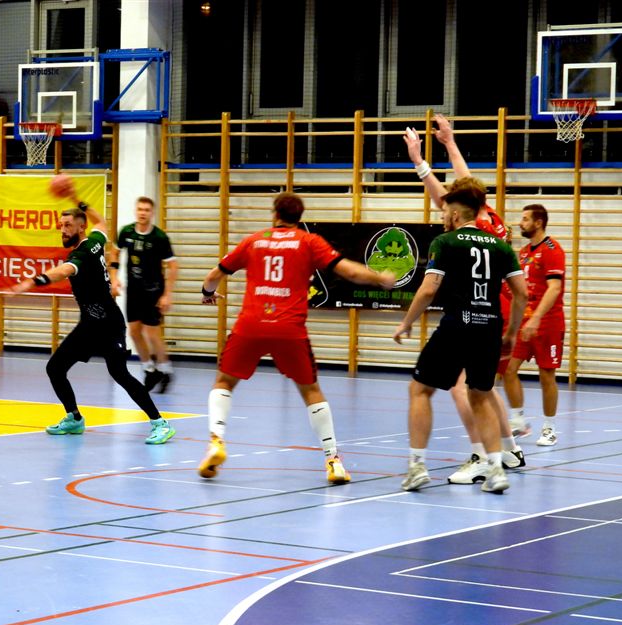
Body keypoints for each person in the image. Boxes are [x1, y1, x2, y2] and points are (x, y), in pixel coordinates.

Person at [198, 192, 396, 483]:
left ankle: (216, 440)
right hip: (289, 329)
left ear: (275, 214)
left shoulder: (254, 240)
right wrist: (379, 278)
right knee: (311, 391)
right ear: (299, 217)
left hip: (251, 325)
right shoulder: (309, 242)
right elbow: (349, 272)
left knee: (224, 382)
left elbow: (214, 276)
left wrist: (207, 293)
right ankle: (333, 461)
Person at [403, 116, 526, 484]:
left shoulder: (468, 227)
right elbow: (463, 185)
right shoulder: (492, 219)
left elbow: (446, 197)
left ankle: (481, 455)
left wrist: (420, 162)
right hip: (495, 308)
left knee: (462, 387)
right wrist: (449, 143)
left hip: (477, 307)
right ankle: (508, 451)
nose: (444, 210)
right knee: (483, 389)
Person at [10, 176, 175, 446]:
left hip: (109, 324)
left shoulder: (82, 255)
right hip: (89, 324)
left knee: (119, 374)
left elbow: (64, 271)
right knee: (55, 368)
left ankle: (160, 423)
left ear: (80, 228)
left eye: (67, 226)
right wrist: (76, 198)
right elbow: (101, 222)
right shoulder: (96, 240)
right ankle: (74, 418)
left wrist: (33, 281)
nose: (62, 230)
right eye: (61, 225)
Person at [502, 204, 565, 447]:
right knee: (509, 369)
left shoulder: (552, 250)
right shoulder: (524, 252)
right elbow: (518, 289)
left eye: (526, 219)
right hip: (525, 322)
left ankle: (549, 429)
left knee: (546, 375)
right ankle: (519, 422)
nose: (521, 223)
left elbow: (554, 288)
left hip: (548, 323)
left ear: (538, 223)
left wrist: (537, 317)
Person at [113, 196, 179, 392]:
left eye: (146, 210)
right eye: (140, 209)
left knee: (151, 333)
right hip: (133, 290)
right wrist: (114, 278)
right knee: (133, 332)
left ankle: (166, 370)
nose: (143, 213)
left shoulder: (159, 237)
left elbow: (173, 266)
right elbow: (114, 253)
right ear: (136, 211)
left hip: (153, 290)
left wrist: (167, 295)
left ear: (152, 213)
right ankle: (149, 369)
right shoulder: (126, 232)